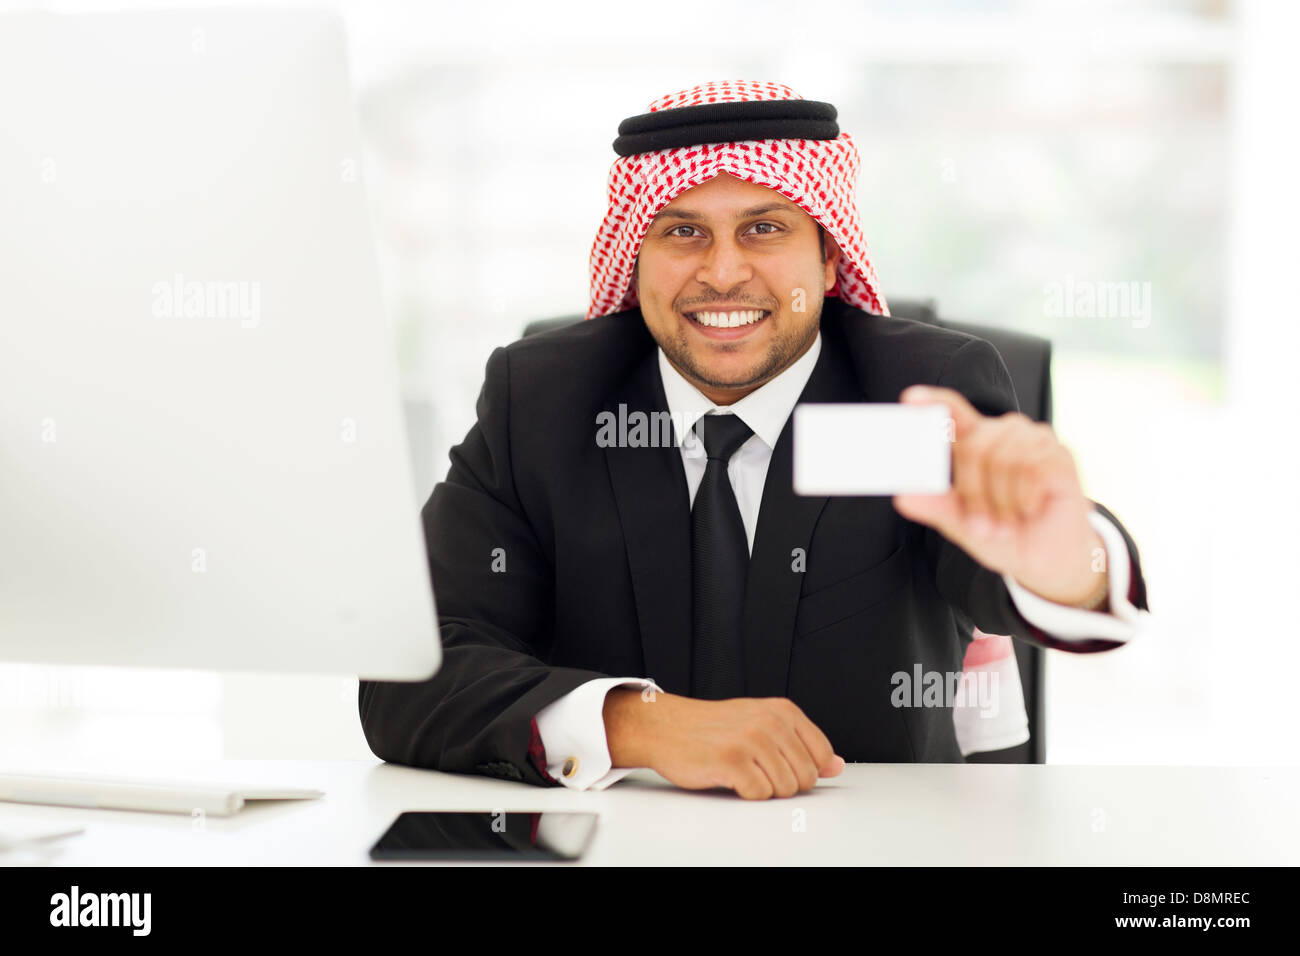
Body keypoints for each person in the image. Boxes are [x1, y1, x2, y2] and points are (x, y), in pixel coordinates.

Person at [359, 80, 1149, 800]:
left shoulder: (906, 397)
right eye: (682, 233)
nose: (724, 273)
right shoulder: (545, 404)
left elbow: (1023, 566)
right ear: (637, 262)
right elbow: (411, 672)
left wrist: (1066, 563)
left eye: (764, 228)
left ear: (830, 258)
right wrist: (643, 724)